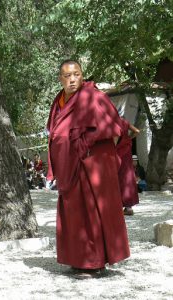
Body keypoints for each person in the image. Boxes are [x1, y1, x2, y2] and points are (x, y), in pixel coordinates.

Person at [46, 59, 130, 279]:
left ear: (82, 75)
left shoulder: (93, 97)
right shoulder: (59, 102)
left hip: (90, 164)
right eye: (67, 76)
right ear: (60, 78)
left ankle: (94, 263)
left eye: (76, 74)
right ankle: (78, 259)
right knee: (74, 214)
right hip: (69, 166)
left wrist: (88, 142)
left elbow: (113, 126)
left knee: (90, 211)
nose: (72, 79)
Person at [116, 118, 140, 216]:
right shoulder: (124, 121)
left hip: (117, 149)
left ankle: (118, 205)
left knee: (117, 177)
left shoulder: (111, 121)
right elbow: (137, 131)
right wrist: (129, 138)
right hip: (126, 149)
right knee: (127, 176)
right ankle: (128, 206)